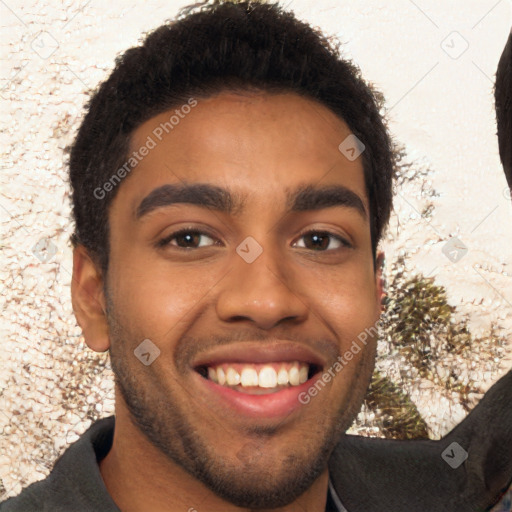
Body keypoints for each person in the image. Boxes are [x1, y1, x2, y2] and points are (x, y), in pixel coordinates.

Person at [1, 3, 510, 511]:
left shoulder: (447, 491)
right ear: (92, 297)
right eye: (190, 239)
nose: (266, 300)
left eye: (319, 241)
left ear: (377, 290)